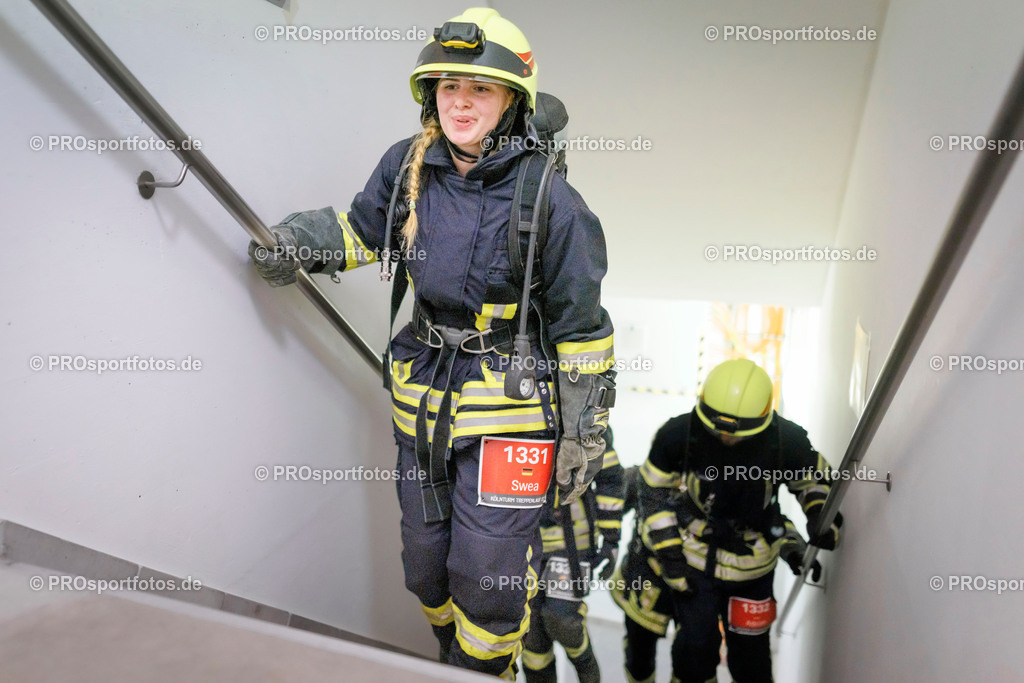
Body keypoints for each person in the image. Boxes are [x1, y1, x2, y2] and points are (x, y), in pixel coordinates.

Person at [249, 8, 616, 679]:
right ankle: (452, 657)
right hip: (422, 399)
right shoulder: (409, 163)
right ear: (431, 94)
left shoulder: (554, 203)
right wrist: (295, 239)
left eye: (479, 88)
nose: (461, 102)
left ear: (513, 100)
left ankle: (487, 670)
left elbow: (583, 331)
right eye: (449, 87)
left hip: (512, 416)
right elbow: (364, 231)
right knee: (426, 568)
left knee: (487, 579)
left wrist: (584, 433)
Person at [635, 358, 842, 683]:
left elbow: (814, 480)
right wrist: (671, 559)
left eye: (736, 434)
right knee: (694, 653)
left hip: (753, 569)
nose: (725, 438)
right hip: (694, 566)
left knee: (751, 659)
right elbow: (652, 493)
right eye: (717, 429)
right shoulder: (679, 433)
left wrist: (818, 513)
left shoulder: (785, 440)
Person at [612, 467, 819, 683]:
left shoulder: (723, 484)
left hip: (696, 590)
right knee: (639, 654)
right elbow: (607, 502)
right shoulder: (645, 478)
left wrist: (793, 548)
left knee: (693, 658)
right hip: (649, 585)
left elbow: (766, 522)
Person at [521, 428, 625, 682]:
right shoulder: (515, 407)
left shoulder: (585, 415)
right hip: (522, 541)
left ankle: (586, 669)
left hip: (571, 543)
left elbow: (611, 477)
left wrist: (611, 540)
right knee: (531, 634)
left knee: (562, 620)